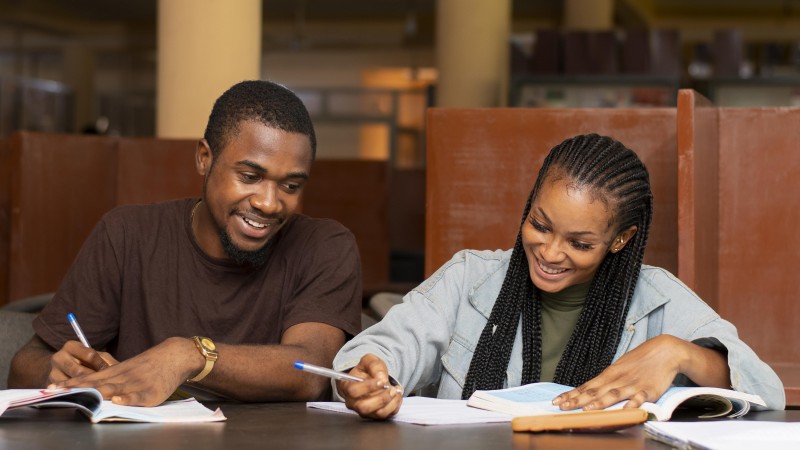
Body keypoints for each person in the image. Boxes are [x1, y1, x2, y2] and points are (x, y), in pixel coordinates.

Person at [333, 133, 785, 419]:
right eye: (540, 225)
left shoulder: (658, 299)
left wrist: (678, 353)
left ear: (621, 239)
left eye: (580, 244)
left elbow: (767, 392)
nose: (550, 253)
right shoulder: (469, 278)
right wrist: (366, 376)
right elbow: (374, 354)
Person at [8, 80, 363, 406]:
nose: (269, 203)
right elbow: (25, 365)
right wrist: (55, 371)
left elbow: (309, 371)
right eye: (249, 176)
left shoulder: (325, 246)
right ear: (204, 158)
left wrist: (189, 356)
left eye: (290, 186)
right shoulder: (127, 235)